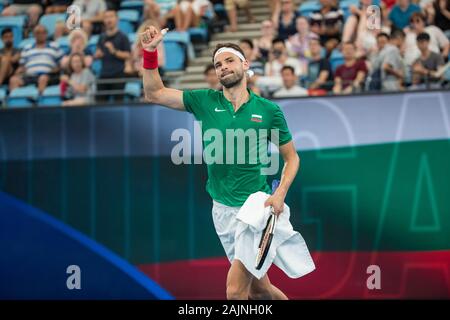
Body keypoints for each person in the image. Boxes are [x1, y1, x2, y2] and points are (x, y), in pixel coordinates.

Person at [140, 25, 306, 300]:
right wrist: (149, 52)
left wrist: (279, 195)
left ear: (245, 64)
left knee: (235, 291)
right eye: (218, 64)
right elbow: (155, 93)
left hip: (255, 208)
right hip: (221, 210)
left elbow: (292, 158)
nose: (223, 67)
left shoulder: (268, 110)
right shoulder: (204, 100)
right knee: (260, 288)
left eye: (229, 60)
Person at [9, 25, 64, 94]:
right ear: (34, 35)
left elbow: (62, 63)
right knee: (13, 80)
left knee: (42, 79)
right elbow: (22, 66)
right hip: (29, 76)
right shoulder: (27, 48)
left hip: (48, 75)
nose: (41, 35)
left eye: (43, 32)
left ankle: (39, 102)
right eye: (38, 32)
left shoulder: (54, 46)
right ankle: (14, 102)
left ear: (46, 34)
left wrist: (56, 69)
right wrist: (19, 71)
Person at [94, 10, 131, 102]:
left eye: (111, 17)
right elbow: (97, 53)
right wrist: (98, 55)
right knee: (99, 104)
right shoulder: (101, 37)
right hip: (104, 74)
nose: (108, 20)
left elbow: (128, 55)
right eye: (106, 17)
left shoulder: (123, 36)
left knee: (118, 103)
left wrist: (114, 51)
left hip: (118, 74)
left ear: (117, 19)